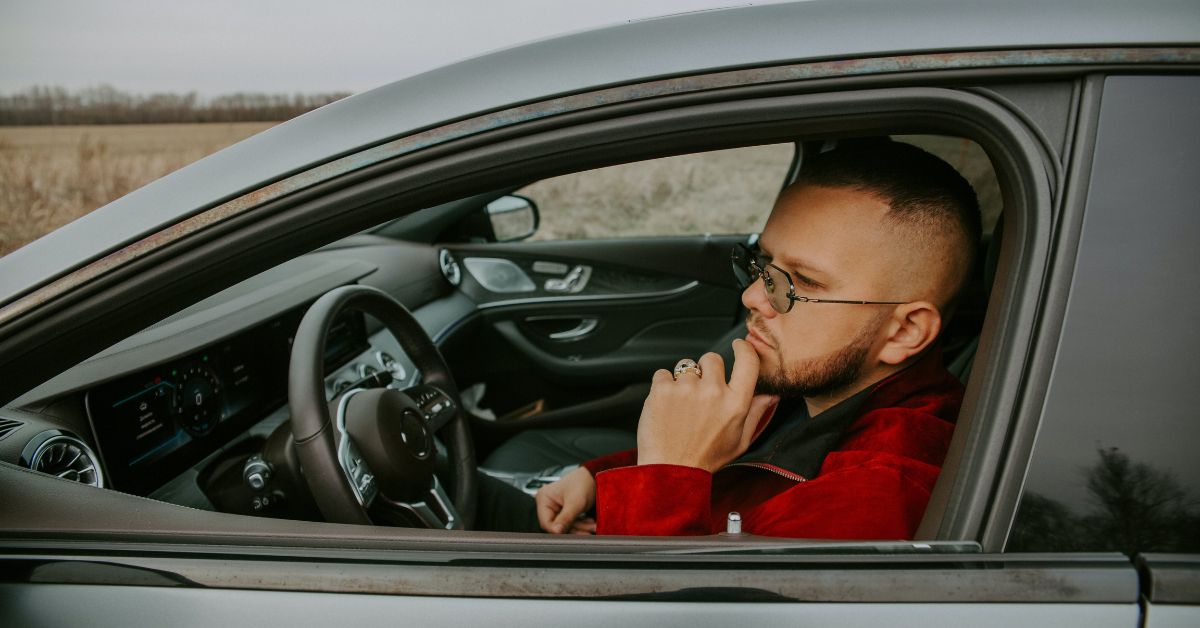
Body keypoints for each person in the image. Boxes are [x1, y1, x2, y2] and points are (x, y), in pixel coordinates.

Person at [533, 139, 982, 538]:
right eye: (763, 264)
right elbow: (749, 463)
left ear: (905, 332)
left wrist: (665, 476)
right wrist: (603, 477)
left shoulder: (869, 501)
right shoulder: (816, 381)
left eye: (803, 282)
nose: (753, 296)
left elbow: (659, 608)